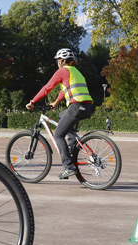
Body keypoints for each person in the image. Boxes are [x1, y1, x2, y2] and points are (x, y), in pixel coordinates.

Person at [25, 48, 95, 179]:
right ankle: (72, 145)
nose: (57, 63)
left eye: (58, 61)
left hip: (76, 106)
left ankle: (68, 167)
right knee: (62, 115)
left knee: (58, 135)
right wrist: (56, 102)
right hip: (88, 106)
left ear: (62, 61)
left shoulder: (62, 71)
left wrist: (33, 101)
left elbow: (47, 88)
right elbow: (66, 89)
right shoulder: (75, 72)